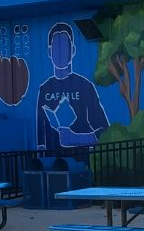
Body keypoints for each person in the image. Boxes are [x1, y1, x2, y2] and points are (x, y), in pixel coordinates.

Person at [36, 22, 109, 153]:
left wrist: (76, 138)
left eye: (65, 47)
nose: (60, 53)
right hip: (54, 161)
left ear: (73, 50)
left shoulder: (85, 86)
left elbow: (104, 131)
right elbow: (41, 137)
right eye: (56, 48)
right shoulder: (44, 89)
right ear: (49, 52)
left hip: (82, 158)